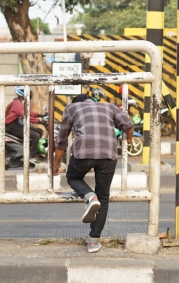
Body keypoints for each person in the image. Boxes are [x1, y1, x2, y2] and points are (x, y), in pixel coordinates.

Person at [53, 94, 134, 253]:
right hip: (108, 156)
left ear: (77, 103)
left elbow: (61, 140)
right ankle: (93, 241)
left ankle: (89, 197)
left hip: (83, 154)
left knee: (73, 177)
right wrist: (129, 139)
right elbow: (128, 124)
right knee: (103, 196)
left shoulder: (72, 108)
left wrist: (56, 164)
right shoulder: (108, 107)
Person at [5, 86, 46, 163]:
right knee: (36, 135)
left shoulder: (18, 102)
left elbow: (28, 112)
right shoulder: (17, 103)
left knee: (39, 131)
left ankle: (32, 150)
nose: (30, 94)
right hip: (12, 127)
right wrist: (39, 121)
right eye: (28, 92)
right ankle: (31, 157)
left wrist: (40, 115)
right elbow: (26, 116)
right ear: (22, 93)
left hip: (15, 125)